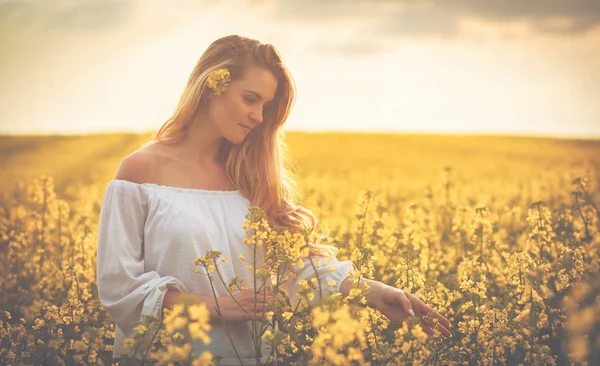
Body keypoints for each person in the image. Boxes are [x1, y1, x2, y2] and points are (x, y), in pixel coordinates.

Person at [96, 34, 451, 364]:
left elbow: (294, 268)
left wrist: (371, 291)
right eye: (250, 99)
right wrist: (215, 306)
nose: (259, 116)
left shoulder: (251, 177)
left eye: (266, 105)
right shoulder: (140, 172)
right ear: (212, 85)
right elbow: (120, 287)